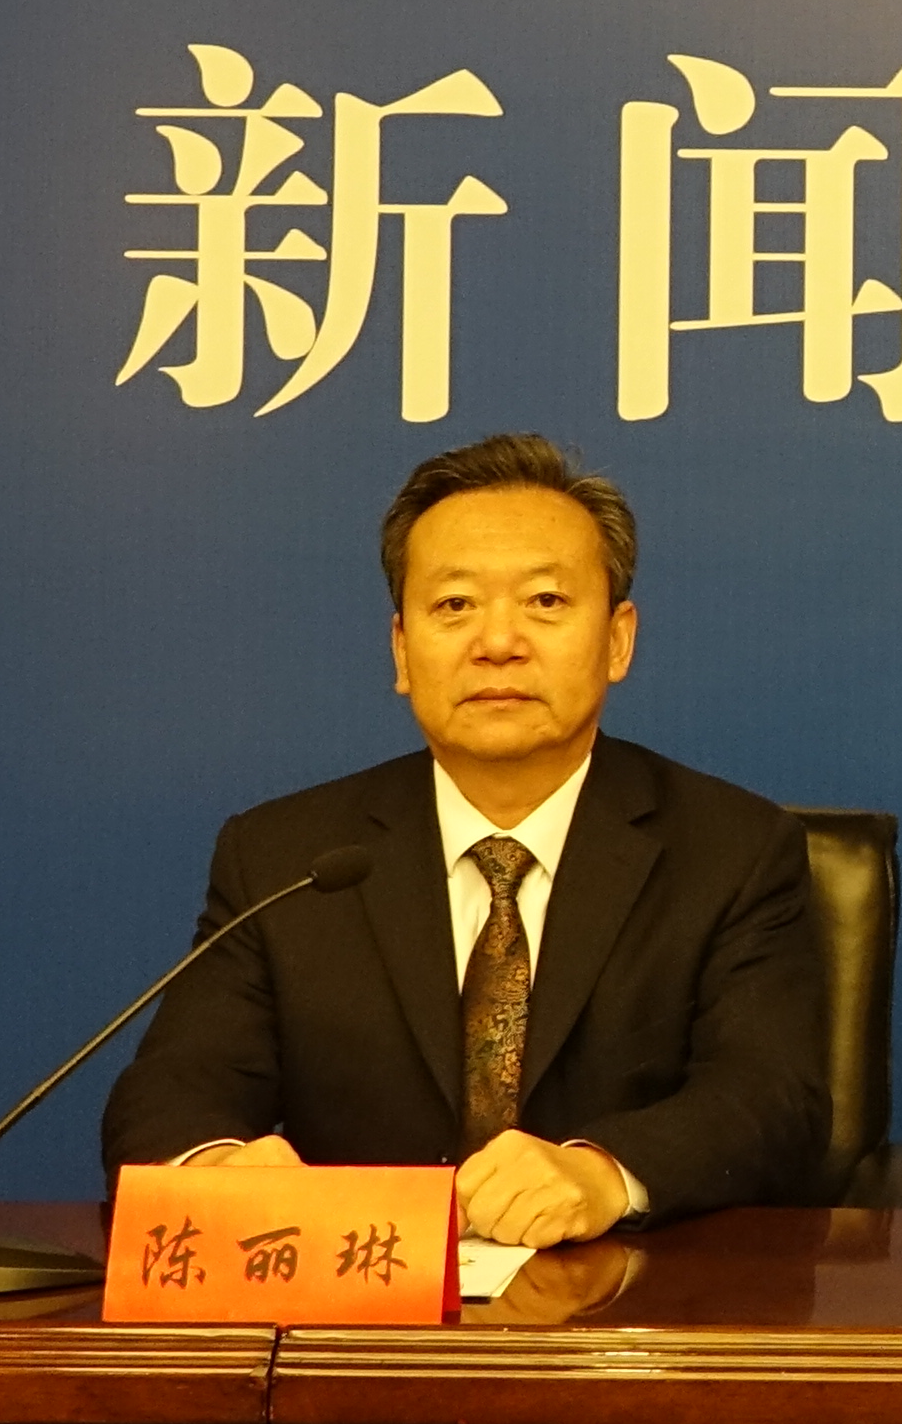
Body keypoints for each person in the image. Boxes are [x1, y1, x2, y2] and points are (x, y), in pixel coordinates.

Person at [98, 433, 828, 1243]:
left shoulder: (732, 849)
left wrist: (604, 1172)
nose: (498, 643)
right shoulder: (286, 856)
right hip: (363, 1292)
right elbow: (174, 1086)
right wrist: (213, 1165)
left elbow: (771, 1096)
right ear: (402, 650)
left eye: (545, 601)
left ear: (617, 639)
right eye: (454, 606)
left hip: (629, 1295)